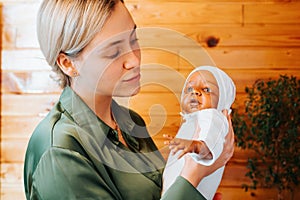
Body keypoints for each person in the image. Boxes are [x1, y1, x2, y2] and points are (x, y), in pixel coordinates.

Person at [23, 0, 235, 199]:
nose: (134, 59)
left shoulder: (130, 121)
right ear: (68, 64)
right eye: (114, 52)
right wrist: (193, 175)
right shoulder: (60, 153)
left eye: (134, 39)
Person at [162, 66, 236, 200]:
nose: (195, 92)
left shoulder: (213, 116)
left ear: (222, 99)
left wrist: (196, 146)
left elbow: (210, 144)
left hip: (190, 192)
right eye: (189, 89)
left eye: (206, 89)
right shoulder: (192, 121)